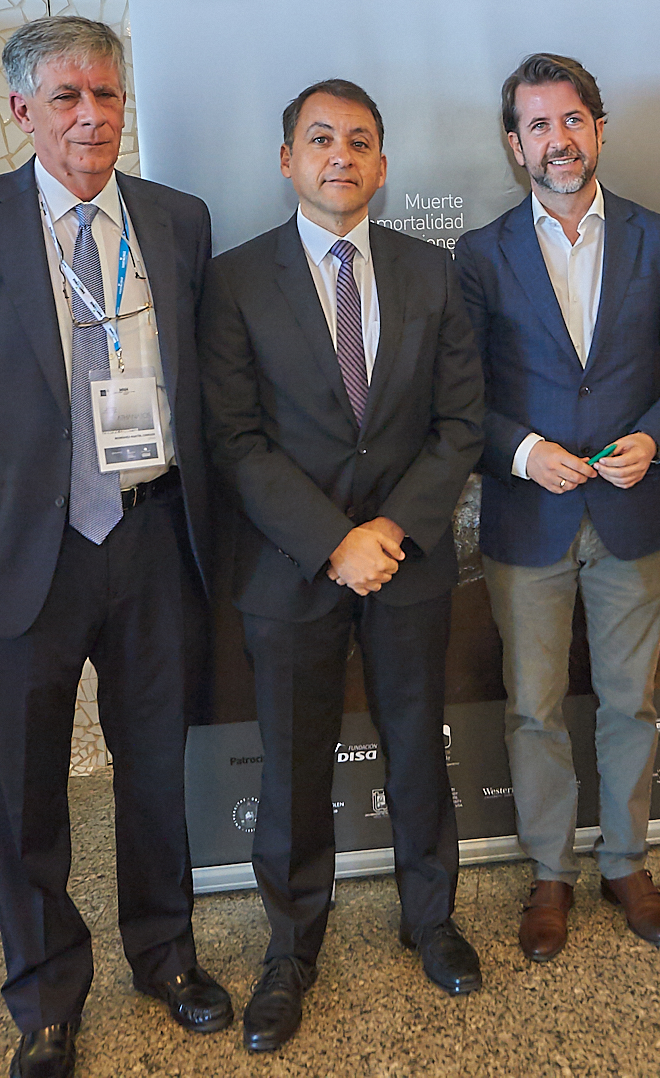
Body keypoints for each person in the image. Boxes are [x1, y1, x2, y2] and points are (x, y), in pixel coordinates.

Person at [0, 17, 231, 1078]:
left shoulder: (177, 220)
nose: (91, 116)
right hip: (25, 550)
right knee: (27, 786)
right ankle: (44, 997)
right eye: (66, 97)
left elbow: (194, 379)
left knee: (156, 770)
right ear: (21, 110)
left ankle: (165, 955)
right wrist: (28, 481)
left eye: (106, 94)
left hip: (153, 537)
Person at [199, 79, 486, 1051]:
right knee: (291, 763)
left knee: (417, 748)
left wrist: (389, 530)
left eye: (360, 141)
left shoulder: (431, 272)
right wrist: (334, 540)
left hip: (407, 559)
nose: (340, 155)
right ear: (288, 159)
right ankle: (290, 951)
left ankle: (430, 920)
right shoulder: (236, 279)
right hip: (291, 565)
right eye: (320, 139)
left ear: (383, 165)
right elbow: (235, 438)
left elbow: (460, 423)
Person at [457, 53, 660, 962]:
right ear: (514, 144)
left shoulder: (659, 239)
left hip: (632, 513)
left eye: (572, 120)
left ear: (598, 130)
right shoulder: (480, 254)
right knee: (533, 708)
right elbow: (462, 397)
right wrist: (525, 453)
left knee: (628, 703)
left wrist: (655, 439)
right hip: (527, 520)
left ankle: (627, 864)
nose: (557, 140)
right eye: (538, 125)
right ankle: (550, 874)